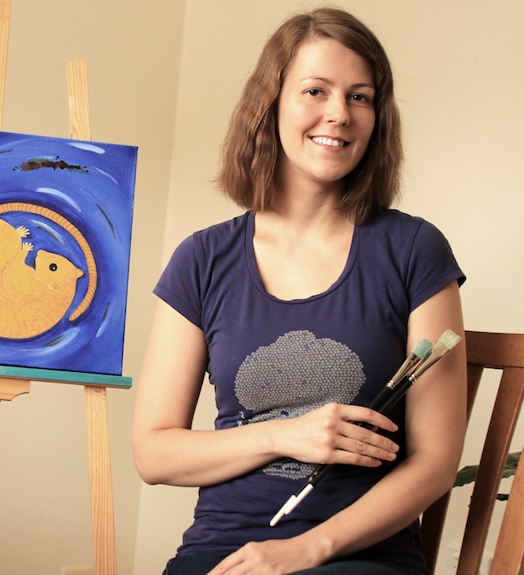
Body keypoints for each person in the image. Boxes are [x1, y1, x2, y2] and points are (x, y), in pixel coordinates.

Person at [132, 7, 466, 575]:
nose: (338, 114)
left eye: (360, 97)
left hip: (362, 557)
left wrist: (306, 549)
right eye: (316, 90)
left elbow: (436, 462)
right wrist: (289, 435)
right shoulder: (201, 259)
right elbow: (155, 452)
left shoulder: (415, 250)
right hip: (223, 552)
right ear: (270, 103)